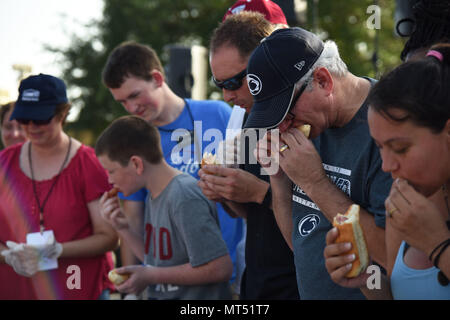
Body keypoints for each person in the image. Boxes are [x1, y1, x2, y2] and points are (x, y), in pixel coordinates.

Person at [246, 27, 393, 299]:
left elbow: (392, 254)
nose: (282, 125)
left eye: (286, 111)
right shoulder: (312, 124)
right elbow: (300, 244)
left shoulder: (389, 125)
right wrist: (279, 180)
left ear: (323, 80)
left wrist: (315, 183)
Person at [101, 42, 244, 291]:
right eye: (122, 102)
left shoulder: (219, 113)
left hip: (238, 272)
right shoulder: (135, 141)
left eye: (134, 95)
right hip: (179, 283)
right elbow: (135, 217)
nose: (132, 108)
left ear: (157, 78)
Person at [324, 44, 450, 299]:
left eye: (400, 148)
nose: (386, 165)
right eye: (380, 147)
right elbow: (396, 293)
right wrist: (364, 276)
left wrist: (438, 245)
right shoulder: (402, 205)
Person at [199, 11, 299, 299]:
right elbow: (253, 217)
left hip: (297, 285)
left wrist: (260, 193)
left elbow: (323, 217)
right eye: (219, 85)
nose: (226, 96)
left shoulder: (306, 117)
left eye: (233, 83)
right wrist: (226, 193)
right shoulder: (248, 117)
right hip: (256, 283)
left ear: (262, 61)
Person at [0, 73, 118, 299]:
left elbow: (109, 236)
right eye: (25, 119)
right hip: (16, 289)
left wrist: (59, 250)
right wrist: (10, 255)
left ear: (63, 114)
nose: (32, 127)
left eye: (41, 119)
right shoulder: (4, 163)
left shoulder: (88, 163)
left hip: (76, 287)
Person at [95, 115, 233, 299]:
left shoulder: (183, 195)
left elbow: (219, 268)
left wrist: (150, 276)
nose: (110, 180)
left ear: (136, 163)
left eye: (111, 171)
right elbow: (158, 263)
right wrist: (123, 227)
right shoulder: (155, 194)